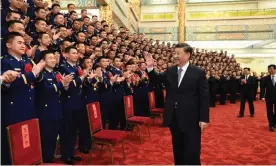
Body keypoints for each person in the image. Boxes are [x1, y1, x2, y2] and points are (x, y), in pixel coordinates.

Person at [145, 43, 210, 165]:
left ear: (187, 55)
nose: (175, 56)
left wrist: (204, 118)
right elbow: (156, 79)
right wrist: (150, 68)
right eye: (174, 53)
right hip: (174, 117)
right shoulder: (170, 70)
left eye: (178, 53)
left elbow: (204, 97)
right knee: (178, 149)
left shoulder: (198, 72)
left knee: (192, 150)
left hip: (192, 119)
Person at [35, 50, 73, 162]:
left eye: (54, 58)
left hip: (59, 110)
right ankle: (46, 162)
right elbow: (46, 90)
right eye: (50, 58)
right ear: (43, 61)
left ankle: (60, 158)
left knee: (61, 137)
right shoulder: (40, 74)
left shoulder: (56, 73)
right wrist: (62, 84)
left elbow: (63, 91)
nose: (53, 60)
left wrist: (65, 85)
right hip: (46, 113)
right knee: (48, 141)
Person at [261, 64, 276, 132]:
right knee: (269, 111)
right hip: (269, 97)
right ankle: (271, 125)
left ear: (275, 69)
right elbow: (263, 88)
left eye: (272, 69)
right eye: (269, 69)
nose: (270, 70)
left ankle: (274, 123)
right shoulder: (265, 78)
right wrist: (262, 96)